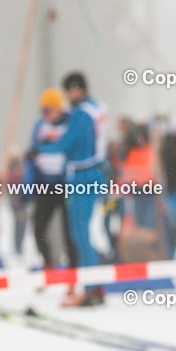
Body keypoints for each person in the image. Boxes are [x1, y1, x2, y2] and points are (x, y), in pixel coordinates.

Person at [32, 72, 105, 266]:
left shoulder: (82, 114)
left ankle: (91, 286)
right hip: (87, 173)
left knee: (79, 233)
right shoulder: (95, 109)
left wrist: (39, 149)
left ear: (77, 90)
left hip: (83, 175)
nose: (66, 97)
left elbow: (65, 144)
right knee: (78, 233)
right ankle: (89, 284)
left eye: (67, 92)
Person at [26, 89, 77, 269]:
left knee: (69, 232)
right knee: (38, 228)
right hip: (44, 185)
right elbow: (33, 151)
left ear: (59, 109)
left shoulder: (70, 124)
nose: (45, 115)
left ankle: (73, 270)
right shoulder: (40, 126)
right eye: (43, 111)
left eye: (49, 110)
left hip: (65, 184)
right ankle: (49, 264)